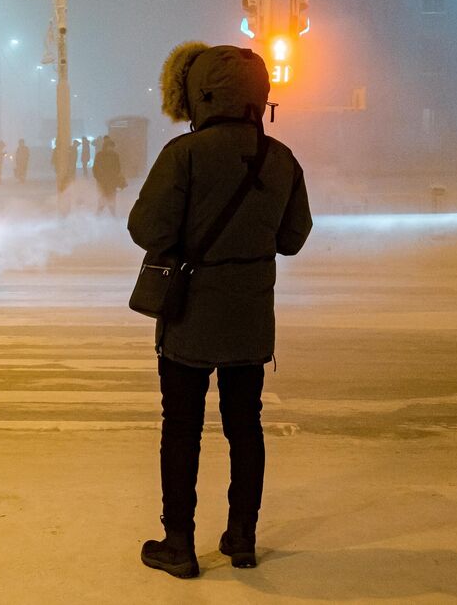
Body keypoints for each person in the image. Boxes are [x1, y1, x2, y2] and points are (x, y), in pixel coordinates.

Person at [127, 43, 312, 579]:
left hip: (188, 316)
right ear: (259, 95)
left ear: (197, 94)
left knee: (180, 427)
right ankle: (242, 537)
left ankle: (179, 544)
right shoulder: (280, 158)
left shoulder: (183, 154)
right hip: (251, 318)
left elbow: (147, 230)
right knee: (245, 426)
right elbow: (294, 238)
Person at [91, 137, 125, 216]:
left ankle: (112, 213)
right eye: (109, 146)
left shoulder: (115, 155)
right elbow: (95, 168)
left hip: (112, 180)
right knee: (103, 196)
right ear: (105, 146)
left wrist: (115, 175)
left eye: (112, 147)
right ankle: (99, 213)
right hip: (102, 180)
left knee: (111, 196)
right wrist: (98, 177)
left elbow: (118, 167)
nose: (111, 148)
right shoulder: (100, 155)